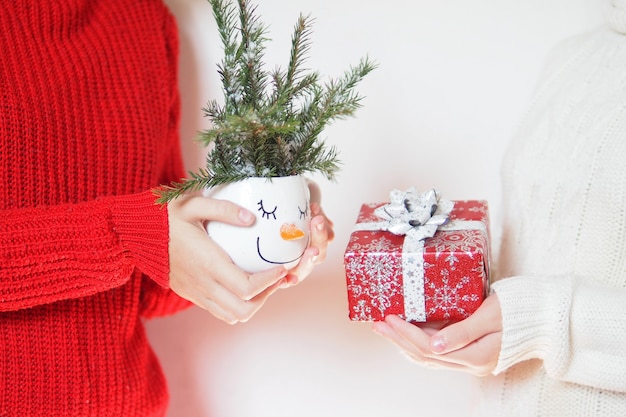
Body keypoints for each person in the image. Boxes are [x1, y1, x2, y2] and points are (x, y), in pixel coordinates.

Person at [0, 1, 333, 416]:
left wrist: (252, 247)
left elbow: (145, 283)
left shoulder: (143, 19)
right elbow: (136, 235)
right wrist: (125, 234)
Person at [372, 1, 626, 415]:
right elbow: (536, 256)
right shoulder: (571, 57)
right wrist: (466, 313)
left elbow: (537, 313)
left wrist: (540, 322)